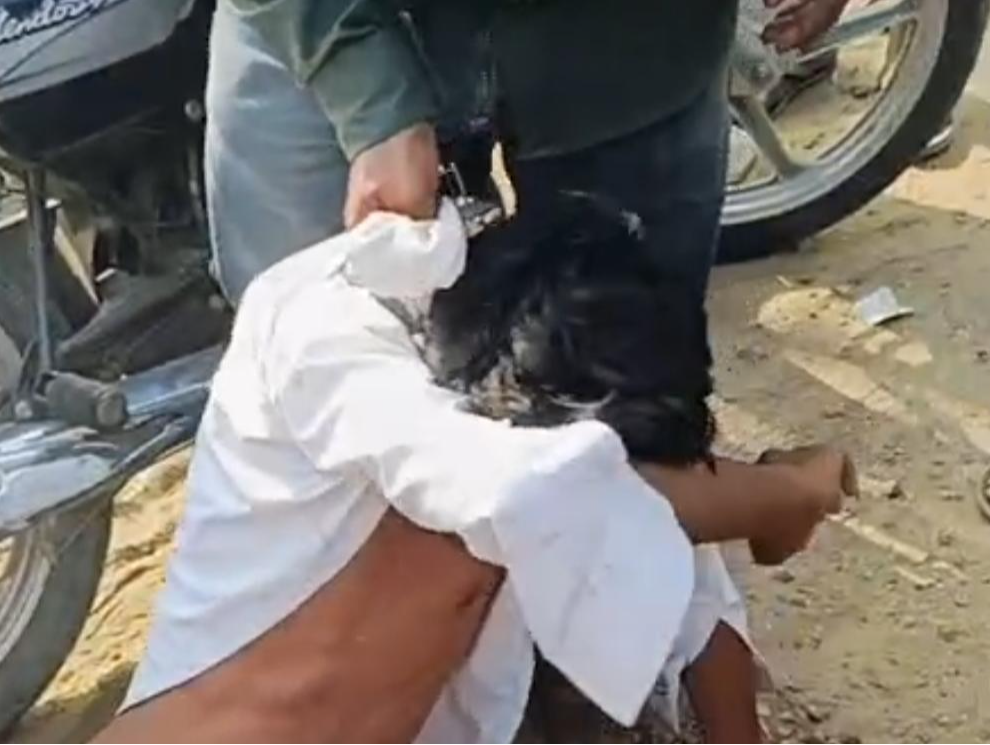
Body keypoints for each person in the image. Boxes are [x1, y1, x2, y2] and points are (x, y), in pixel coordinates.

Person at [93, 196, 853, 744]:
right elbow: (535, 487)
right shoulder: (319, 333)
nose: (607, 475)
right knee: (497, 528)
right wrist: (787, 495)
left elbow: (649, 531)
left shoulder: (543, 415)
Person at [207, 0, 852, 305]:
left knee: (629, 409)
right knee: (313, 382)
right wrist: (367, 95)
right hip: (314, 26)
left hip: (638, 49)